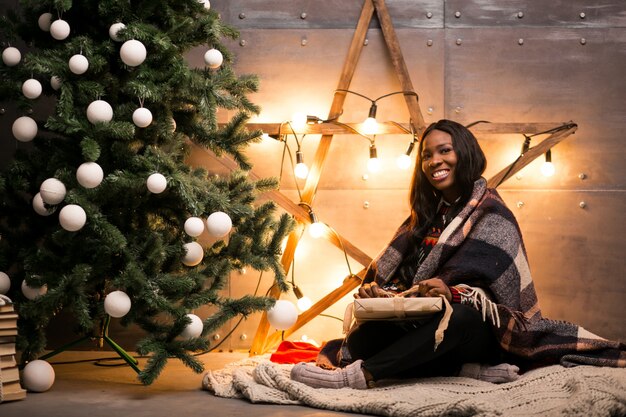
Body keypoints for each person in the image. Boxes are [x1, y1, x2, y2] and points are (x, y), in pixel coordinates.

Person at [290, 119, 626, 390]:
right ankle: (466, 371)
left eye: (444, 150)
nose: (434, 161)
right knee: (362, 340)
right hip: (424, 322)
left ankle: (362, 376)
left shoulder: (493, 213)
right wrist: (381, 293)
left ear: (463, 153)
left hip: (484, 333)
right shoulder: (423, 219)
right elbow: (403, 283)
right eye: (427, 155)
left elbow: (496, 303)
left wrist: (452, 292)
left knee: (460, 319)